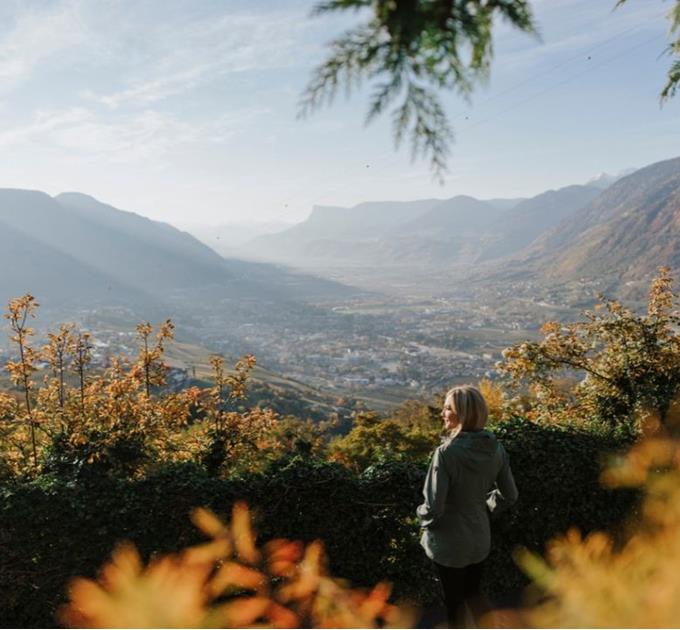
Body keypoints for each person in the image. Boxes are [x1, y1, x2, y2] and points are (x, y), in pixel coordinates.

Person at [417, 385, 518, 628]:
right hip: (480, 536)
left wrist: (420, 516)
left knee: (454, 603)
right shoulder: (496, 448)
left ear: (461, 414)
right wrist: (484, 505)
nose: (443, 412)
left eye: (448, 407)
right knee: (474, 594)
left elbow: (434, 506)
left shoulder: (446, 453)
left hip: (450, 542)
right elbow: (510, 495)